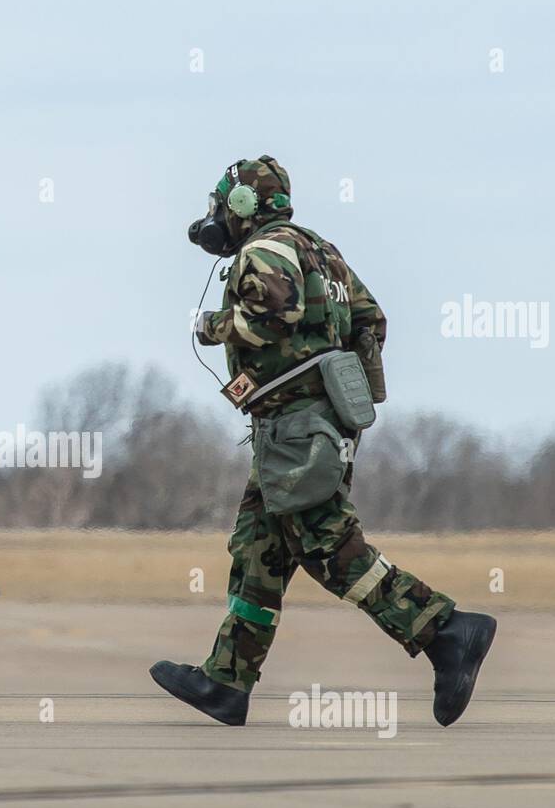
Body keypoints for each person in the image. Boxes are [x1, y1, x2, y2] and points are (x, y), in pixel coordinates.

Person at [150, 155, 496, 727]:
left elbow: (271, 314)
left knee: (329, 547)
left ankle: (447, 631)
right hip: (313, 426)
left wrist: (213, 326)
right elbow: (372, 320)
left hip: (295, 428)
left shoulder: (266, 250)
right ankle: (226, 681)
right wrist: (349, 398)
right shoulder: (322, 251)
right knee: (258, 551)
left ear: (239, 206)